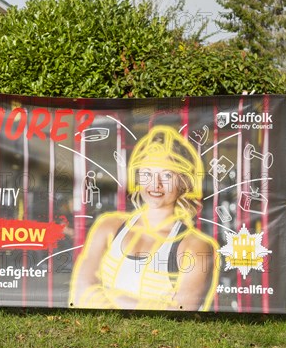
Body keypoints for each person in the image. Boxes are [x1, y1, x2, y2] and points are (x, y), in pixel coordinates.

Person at [69, 125, 220, 311]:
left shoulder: (195, 246)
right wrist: (154, 304)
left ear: (183, 182)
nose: (155, 185)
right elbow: (80, 292)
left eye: (166, 175)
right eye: (147, 174)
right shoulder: (108, 227)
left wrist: (109, 293)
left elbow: (181, 311)